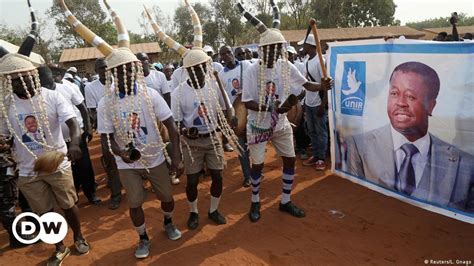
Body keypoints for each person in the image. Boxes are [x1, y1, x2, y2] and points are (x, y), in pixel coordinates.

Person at [61, 0, 184, 259]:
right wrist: (120, 154)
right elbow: (106, 138)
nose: (126, 74)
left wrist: (177, 156)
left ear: (135, 70)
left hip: (156, 157)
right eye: (120, 71)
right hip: (128, 163)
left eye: (130, 69)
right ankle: (142, 238)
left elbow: (171, 125)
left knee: (167, 198)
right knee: (135, 202)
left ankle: (168, 222)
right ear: (114, 74)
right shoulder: (106, 102)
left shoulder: (150, 94)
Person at [0, 2, 90, 263]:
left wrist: (74, 143)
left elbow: (72, 122)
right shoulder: (6, 106)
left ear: (31, 74)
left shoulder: (51, 96)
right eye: (14, 78)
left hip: (58, 161)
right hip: (28, 169)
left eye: (23, 75)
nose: (20, 81)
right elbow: (4, 137)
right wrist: (4, 145)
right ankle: (59, 246)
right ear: (9, 81)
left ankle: (79, 237)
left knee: (69, 205)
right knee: (44, 213)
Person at [145, 0, 240, 230]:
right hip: (192, 143)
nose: (201, 70)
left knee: (217, 176)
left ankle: (214, 209)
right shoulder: (178, 92)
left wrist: (229, 119)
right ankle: (194, 212)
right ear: (188, 69)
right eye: (196, 67)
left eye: (204, 66)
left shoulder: (214, 84)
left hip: (213, 139)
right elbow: (175, 124)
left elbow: (226, 111)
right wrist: (188, 131)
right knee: (193, 180)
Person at [237, 0, 332, 222]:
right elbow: (247, 102)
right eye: (268, 49)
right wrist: (272, 107)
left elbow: (307, 85)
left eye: (276, 48)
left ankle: (286, 201)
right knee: (258, 166)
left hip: (280, 124)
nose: (272, 53)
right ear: (262, 50)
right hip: (258, 124)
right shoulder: (252, 70)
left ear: (280, 49)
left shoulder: (285, 66)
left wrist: (323, 86)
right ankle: (255, 202)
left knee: (289, 161)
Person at [345, 61, 474, 211]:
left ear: (431, 106)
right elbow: (357, 202)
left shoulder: (464, 164)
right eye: (394, 93)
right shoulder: (359, 146)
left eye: (411, 97)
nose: (400, 103)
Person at [38, 66, 100, 206]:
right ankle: (73, 197)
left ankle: (91, 193)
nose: (47, 87)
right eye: (43, 84)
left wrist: (88, 127)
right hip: (55, 141)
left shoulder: (68, 87)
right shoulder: (38, 95)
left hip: (76, 136)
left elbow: (82, 108)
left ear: (54, 77)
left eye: (49, 83)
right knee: (67, 170)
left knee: (84, 166)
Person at [84, 58, 123, 210]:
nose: (105, 70)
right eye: (101, 68)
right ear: (96, 71)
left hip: (127, 125)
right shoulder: (90, 88)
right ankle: (116, 195)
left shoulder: (121, 81)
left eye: (107, 67)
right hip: (107, 128)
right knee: (111, 161)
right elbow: (93, 111)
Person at [218, 45, 252, 187]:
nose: (227, 55)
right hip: (235, 116)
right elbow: (222, 100)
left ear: (233, 53)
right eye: (223, 54)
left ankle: (255, 170)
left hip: (252, 111)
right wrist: (228, 117)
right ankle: (247, 175)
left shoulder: (246, 65)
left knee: (255, 144)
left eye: (228, 52)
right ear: (221, 58)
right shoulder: (220, 75)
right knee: (241, 146)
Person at [297, 34, 328, 170]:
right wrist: (304, 101)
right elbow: (306, 83)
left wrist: (323, 104)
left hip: (318, 103)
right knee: (312, 131)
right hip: (308, 102)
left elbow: (326, 85)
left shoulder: (321, 61)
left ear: (310, 46)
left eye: (304, 45)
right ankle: (316, 154)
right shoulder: (307, 62)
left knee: (320, 131)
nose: (303, 48)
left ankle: (321, 158)